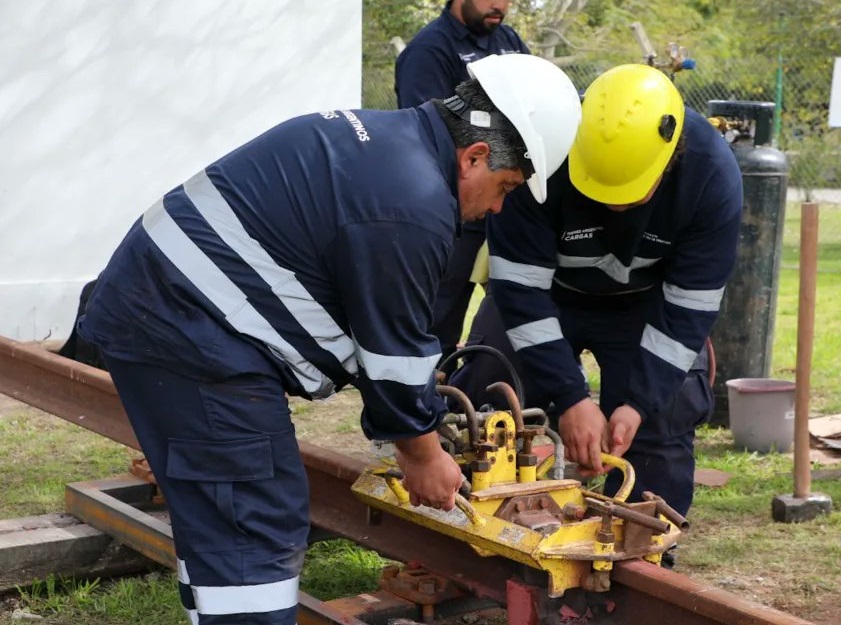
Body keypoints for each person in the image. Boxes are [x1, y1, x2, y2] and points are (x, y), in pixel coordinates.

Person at [76, 53, 582, 625]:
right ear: (475, 156)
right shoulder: (413, 204)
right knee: (254, 513)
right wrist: (422, 452)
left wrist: (410, 395)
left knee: (221, 514)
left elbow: (335, 294)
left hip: (160, 309)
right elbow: (390, 351)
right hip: (189, 329)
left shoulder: (386, 145)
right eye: (506, 187)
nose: (496, 207)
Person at [451, 64, 743, 528]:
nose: (614, 206)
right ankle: (467, 522)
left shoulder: (711, 175)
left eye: (629, 193)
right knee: (490, 386)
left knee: (664, 412)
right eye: (600, 190)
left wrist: (636, 405)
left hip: (646, 306)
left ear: (671, 157)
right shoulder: (542, 146)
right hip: (544, 297)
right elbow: (519, 289)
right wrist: (570, 397)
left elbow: (690, 306)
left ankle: (640, 547)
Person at [395, 0, 530, 374]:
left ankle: (484, 401)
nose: (499, 5)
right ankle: (420, 408)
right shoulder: (429, 49)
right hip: (452, 208)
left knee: (512, 312)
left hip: (505, 199)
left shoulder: (510, 41)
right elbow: (427, 135)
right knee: (438, 313)